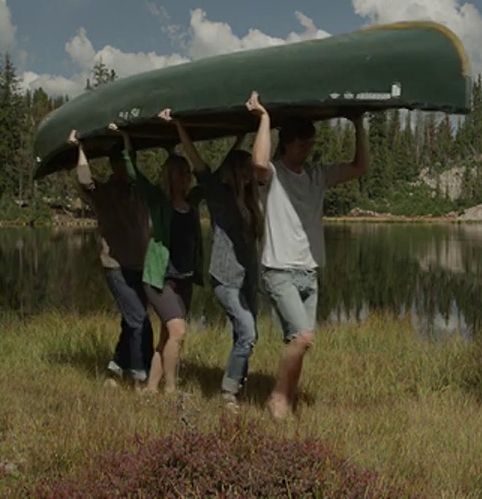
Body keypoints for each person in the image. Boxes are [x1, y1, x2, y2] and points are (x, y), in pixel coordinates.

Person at [248, 91, 368, 420]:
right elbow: (258, 162)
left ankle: (287, 399)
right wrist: (265, 119)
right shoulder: (272, 176)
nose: (307, 150)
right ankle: (278, 397)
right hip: (278, 270)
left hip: (308, 271)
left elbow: (360, 166)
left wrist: (358, 125)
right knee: (302, 337)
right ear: (287, 144)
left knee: (301, 342)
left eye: (311, 145)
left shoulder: (316, 176)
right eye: (302, 145)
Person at [158, 107, 262, 413]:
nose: (249, 175)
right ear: (235, 171)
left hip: (249, 279)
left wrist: (244, 134)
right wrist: (179, 127)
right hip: (225, 279)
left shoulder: (251, 200)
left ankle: (237, 385)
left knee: (244, 335)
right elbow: (199, 163)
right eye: (245, 170)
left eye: (250, 171)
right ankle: (228, 392)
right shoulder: (218, 194)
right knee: (248, 331)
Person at [107, 123, 204, 395]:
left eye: (188, 173)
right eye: (182, 174)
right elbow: (135, 176)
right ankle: (171, 389)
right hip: (160, 279)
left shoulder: (194, 201)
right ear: (171, 177)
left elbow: (209, 174)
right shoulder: (160, 202)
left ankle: (151, 388)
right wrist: (126, 140)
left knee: (165, 338)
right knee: (178, 332)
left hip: (184, 279)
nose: (187, 178)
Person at [69, 129, 153, 388]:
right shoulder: (104, 193)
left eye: (128, 162)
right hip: (115, 267)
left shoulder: (139, 190)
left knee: (134, 321)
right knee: (139, 321)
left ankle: (115, 368)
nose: (126, 168)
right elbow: (85, 181)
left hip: (140, 265)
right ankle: (139, 377)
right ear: (114, 166)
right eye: (121, 163)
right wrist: (79, 148)